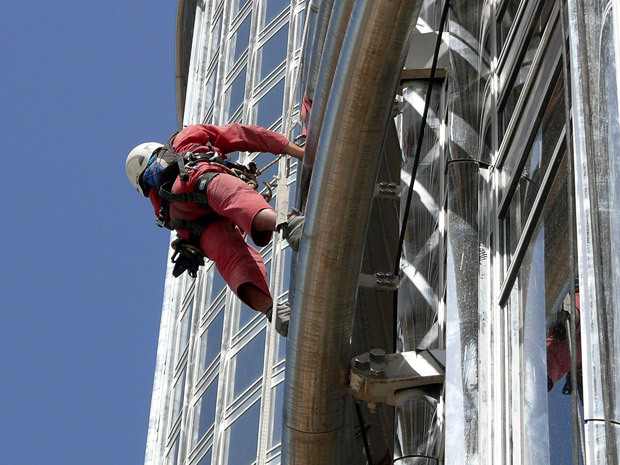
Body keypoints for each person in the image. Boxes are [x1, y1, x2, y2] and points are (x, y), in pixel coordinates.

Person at [126, 123, 305, 336]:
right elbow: (243, 135)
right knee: (239, 200)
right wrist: (295, 151)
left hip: (190, 223)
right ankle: (289, 226)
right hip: (199, 177)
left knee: (234, 260)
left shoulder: (160, 203)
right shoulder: (184, 138)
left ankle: (273, 311)